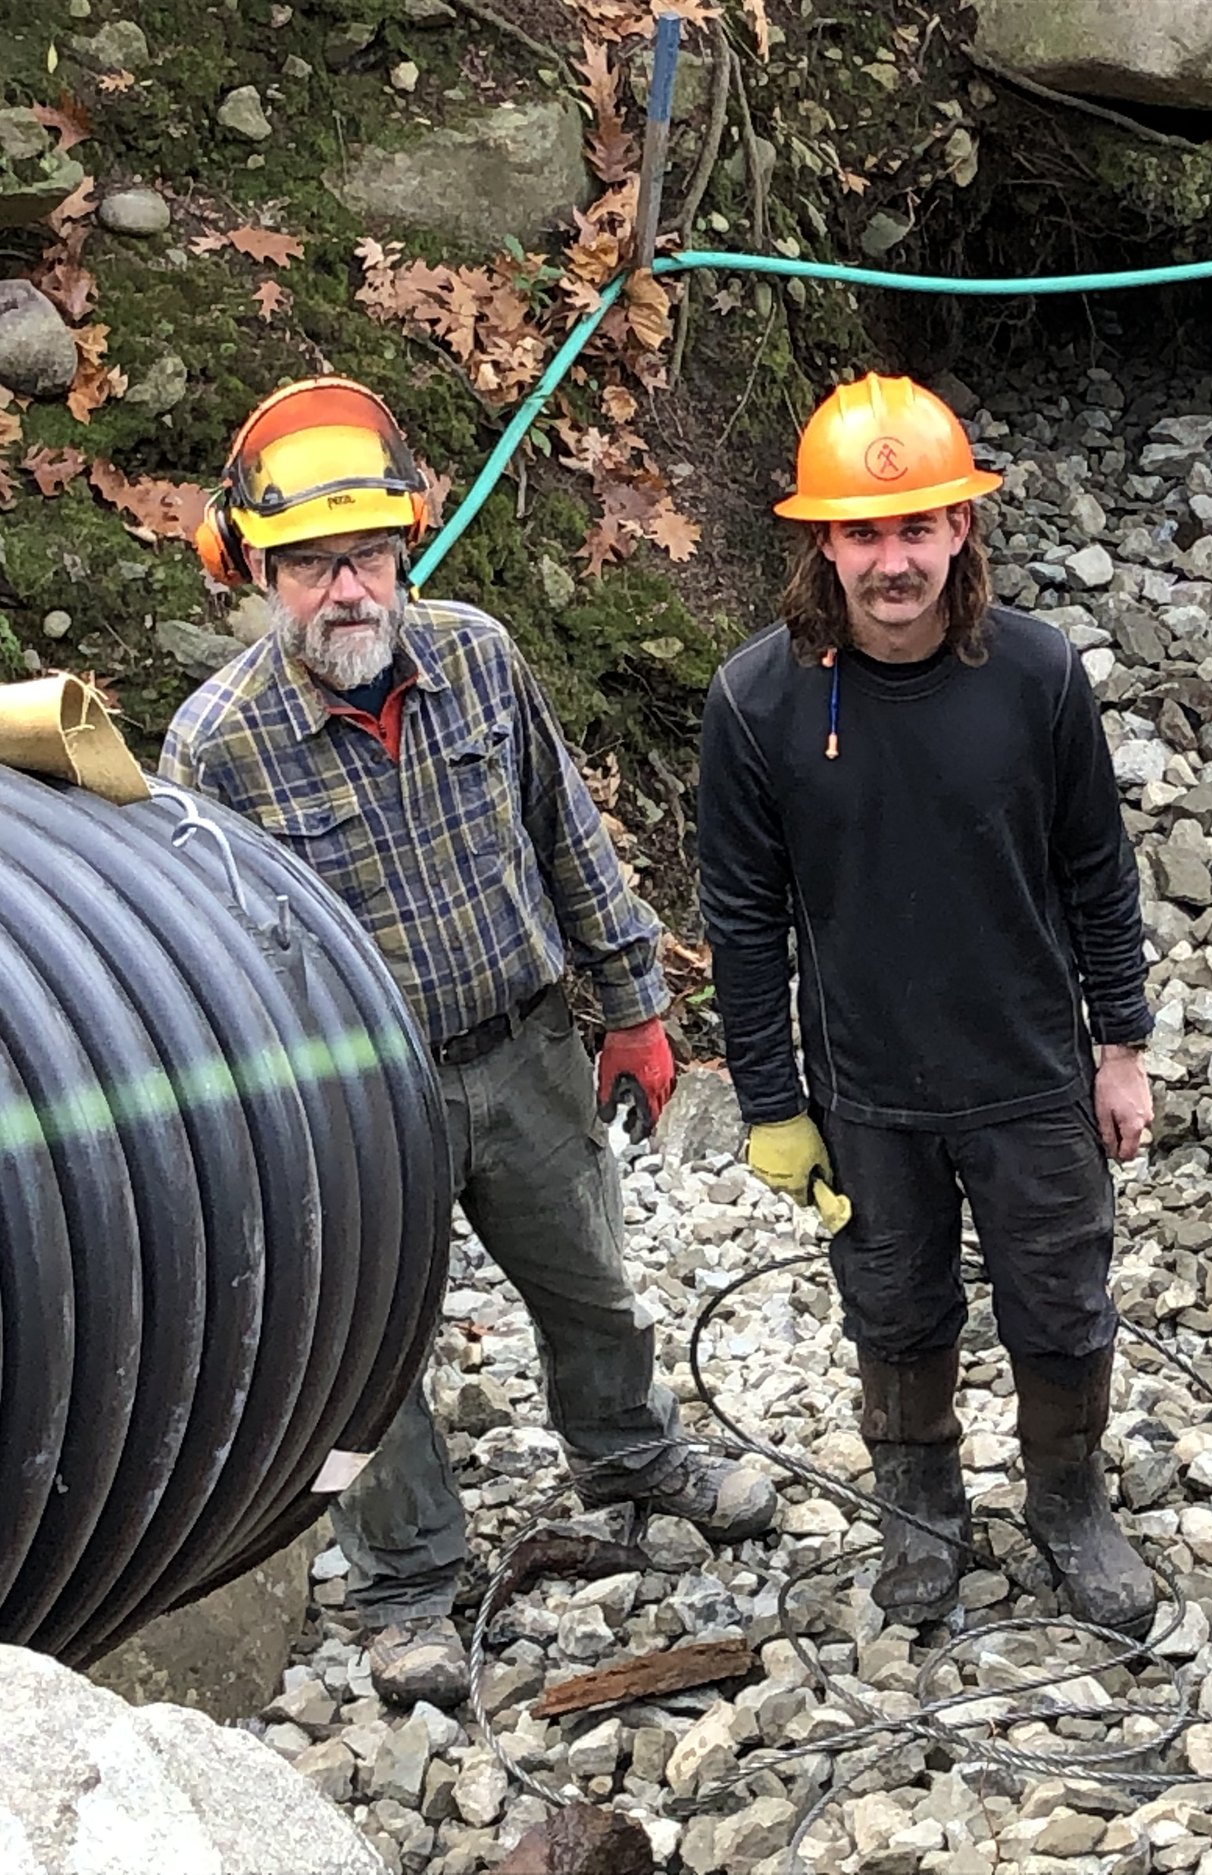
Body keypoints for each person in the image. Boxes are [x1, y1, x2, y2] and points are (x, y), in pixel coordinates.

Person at [162, 377, 777, 1708]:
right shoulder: (215, 747)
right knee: (363, 1357)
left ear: (409, 545)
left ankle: (628, 1453)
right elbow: (204, 972)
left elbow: (566, 838)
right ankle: (402, 1586)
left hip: (523, 1049)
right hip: (357, 1101)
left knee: (597, 1282)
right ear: (256, 570)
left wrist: (635, 1008)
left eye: (369, 553)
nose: (348, 588)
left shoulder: (481, 659)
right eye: (313, 562)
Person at [697, 373, 1158, 1636]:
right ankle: (921, 1511)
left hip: (1031, 1075)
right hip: (866, 1095)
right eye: (864, 533)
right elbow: (742, 921)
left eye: (915, 529)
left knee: (1061, 1305)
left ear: (962, 528)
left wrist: (1120, 1047)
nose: (891, 561)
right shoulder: (755, 704)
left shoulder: (1038, 676)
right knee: (894, 1309)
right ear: (821, 541)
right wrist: (771, 1105)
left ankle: (1069, 1503)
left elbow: (1096, 873)